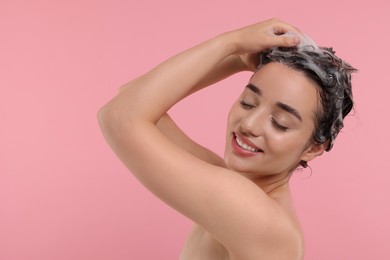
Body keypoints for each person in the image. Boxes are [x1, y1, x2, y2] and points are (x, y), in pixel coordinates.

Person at [97, 18, 356, 259]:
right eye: (248, 102)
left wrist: (231, 44)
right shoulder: (230, 186)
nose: (249, 125)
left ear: (313, 147)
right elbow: (131, 96)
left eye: (280, 123)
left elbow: (118, 116)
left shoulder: (256, 217)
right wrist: (238, 62)